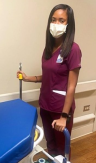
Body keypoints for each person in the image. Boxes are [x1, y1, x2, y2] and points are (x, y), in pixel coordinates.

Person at [17, 4, 81, 159]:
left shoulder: (73, 49)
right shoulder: (48, 49)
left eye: (61, 20)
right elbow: (46, 76)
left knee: (61, 148)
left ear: (69, 24)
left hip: (60, 109)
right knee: (50, 144)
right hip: (45, 105)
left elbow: (71, 86)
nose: (56, 24)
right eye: (53, 20)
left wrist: (64, 116)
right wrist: (27, 78)